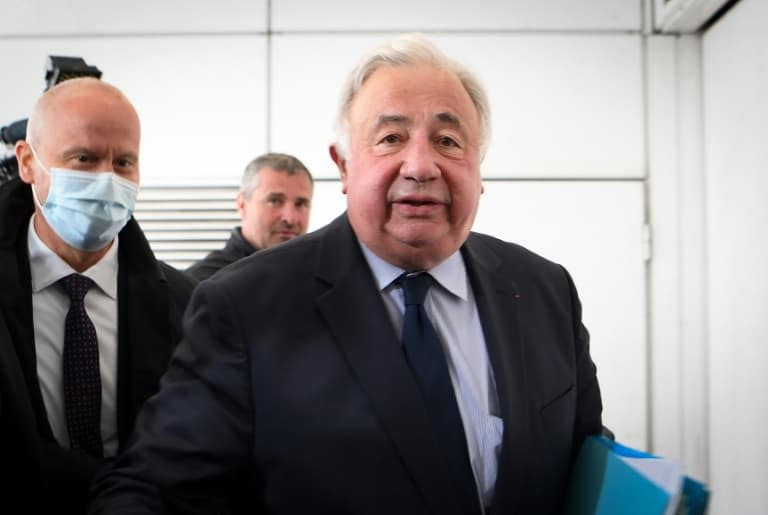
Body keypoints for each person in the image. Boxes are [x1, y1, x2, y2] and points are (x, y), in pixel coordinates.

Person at [88, 34, 603, 515]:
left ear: (479, 165)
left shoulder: (543, 291)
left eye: (448, 140)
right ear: (344, 165)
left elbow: (588, 462)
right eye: (391, 137)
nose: (421, 164)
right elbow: (153, 491)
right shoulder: (244, 305)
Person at [0, 77, 197, 514]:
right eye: (84, 159)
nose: (107, 179)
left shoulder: (187, 304)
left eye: (124, 162)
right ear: (28, 162)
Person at [185, 153, 313, 281]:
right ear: (242, 205)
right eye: (275, 201)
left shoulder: (320, 278)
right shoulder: (201, 285)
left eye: (301, 204)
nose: (290, 218)